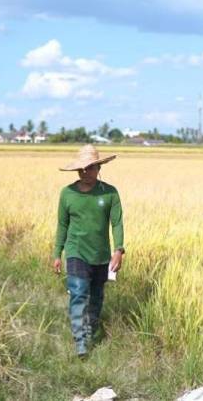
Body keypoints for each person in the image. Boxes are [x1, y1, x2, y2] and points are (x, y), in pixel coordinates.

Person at [53, 144, 125, 357]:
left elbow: (117, 223)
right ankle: (81, 342)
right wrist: (58, 253)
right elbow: (62, 225)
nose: (86, 172)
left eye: (91, 168)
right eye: (82, 169)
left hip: (101, 255)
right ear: (77, 170)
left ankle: (90, 330)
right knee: (78, 294)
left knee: (96, 297)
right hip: (76, 252)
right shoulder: (67, 194)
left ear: (98, 168)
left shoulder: (110, 193)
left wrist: (119, 250)